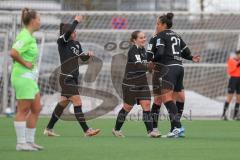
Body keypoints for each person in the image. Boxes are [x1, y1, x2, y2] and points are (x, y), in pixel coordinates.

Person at [44, 15, 100, 137]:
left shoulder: (77, 44)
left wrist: (88, 55)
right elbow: (68, 32)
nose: (75, 33)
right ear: (69, 33)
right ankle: (87, 130)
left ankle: (49, 128)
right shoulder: (62, 42)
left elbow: (82, 58)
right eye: (74, 31)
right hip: (66, 78)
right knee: (77, 102)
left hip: (73, 78)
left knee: (62, 104)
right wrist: (76, 21)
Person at [147, 13, 200, 137]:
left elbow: (158, 53)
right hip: (179, 68)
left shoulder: (160, 36)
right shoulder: (176, 35)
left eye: (158, 24)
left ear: (164, 24)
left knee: (166, 99)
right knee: (175, 99)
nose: (156, 26)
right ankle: (173, 130)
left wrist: (152, 61)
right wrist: (192, 58)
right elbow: (186, 52)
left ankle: (178, 127)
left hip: (167, 69)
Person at [112, 31, 161, 138]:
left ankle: (150, 131)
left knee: (146, 105)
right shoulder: (133, 51)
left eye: (144, 37)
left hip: (142, 82)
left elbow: (148, 63)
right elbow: (139, 66)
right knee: (127, 107)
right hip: (130, 83)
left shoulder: (143, 50)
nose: (144, 39)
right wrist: (150, 67)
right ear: (134, 40)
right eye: (141, 38)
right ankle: (116, 129)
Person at [10, 8, 43, 151]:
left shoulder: (30, 36)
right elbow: (13, 53)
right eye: (39, 19)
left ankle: (29, 141)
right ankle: (21, 143)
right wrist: (25, 64)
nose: (40, 22)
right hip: (23, 77)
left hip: (30, 77)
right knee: (23, 110)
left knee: (36, 108)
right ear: (33, 21)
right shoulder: (25, 36)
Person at [222, 50, 240, 120]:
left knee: (239, 99)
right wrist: (238, 64)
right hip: (233, 80)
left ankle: (235, 116)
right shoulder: (231, 61)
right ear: (237, 55)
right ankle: (223, 115)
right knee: (230, 97)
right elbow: (231, 71)